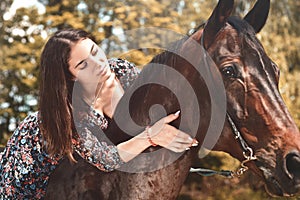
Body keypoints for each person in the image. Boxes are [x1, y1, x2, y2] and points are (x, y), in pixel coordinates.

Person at [0, 28, 197, 199]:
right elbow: (106, 159)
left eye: (95, 51)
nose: (98, 64)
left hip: (73, 173)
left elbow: (147, 104)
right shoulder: (72, 112)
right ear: (70, 75)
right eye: (83, 65)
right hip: (27, 178)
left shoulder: (120, 70)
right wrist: (151, 136)